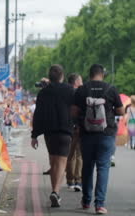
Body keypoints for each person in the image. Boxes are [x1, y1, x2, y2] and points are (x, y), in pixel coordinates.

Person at [72, 64, 124, 214]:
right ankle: (99, 204)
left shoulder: (82, 90)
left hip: (87, 133)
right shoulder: (111, 89)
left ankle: (86, 200)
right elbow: (120, 111)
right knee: (103, 167)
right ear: (102, 74)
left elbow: (74, 112)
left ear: (90, 75)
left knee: (87, 166)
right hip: (106, 134)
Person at [31, 64, 74, 208]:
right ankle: (55, 191)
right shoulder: (69, 90)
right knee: (61, 163)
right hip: (65, 130)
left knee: (53, 163)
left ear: (49, 77)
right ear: (62, 76)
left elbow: (38, 114)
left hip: (49, 133)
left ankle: (54, 192)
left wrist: (34, 135)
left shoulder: (43, 93)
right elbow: (76, 109)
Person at [65, 73, 83, 191]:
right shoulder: (80, 93)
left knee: (69, 155)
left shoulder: (65, 92)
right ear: (76, 81)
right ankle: (78, 180)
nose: (82, 82)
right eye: (80, 80)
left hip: (67, 127)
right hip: (78, 126)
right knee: (79, 154)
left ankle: (70, 180)